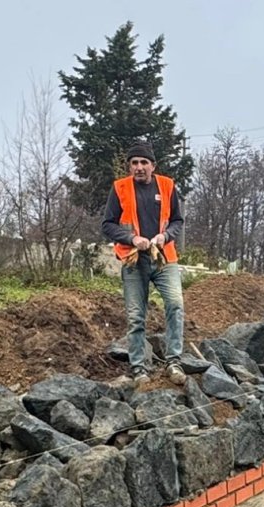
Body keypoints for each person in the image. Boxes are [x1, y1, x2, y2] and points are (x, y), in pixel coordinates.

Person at [101, 143, 186, 385]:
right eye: (134, 163)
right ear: (129, 166)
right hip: (134, 259)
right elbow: (108, 224)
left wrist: (165, 236)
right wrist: (132, 239)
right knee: (136, 315)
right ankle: (139, 368)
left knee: (175, 304)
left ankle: (174, 361)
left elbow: (177, 221)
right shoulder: (120, 188)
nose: (139, 167)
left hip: (163, 258)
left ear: (153, 165)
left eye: (144, 162)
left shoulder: (167, 186)